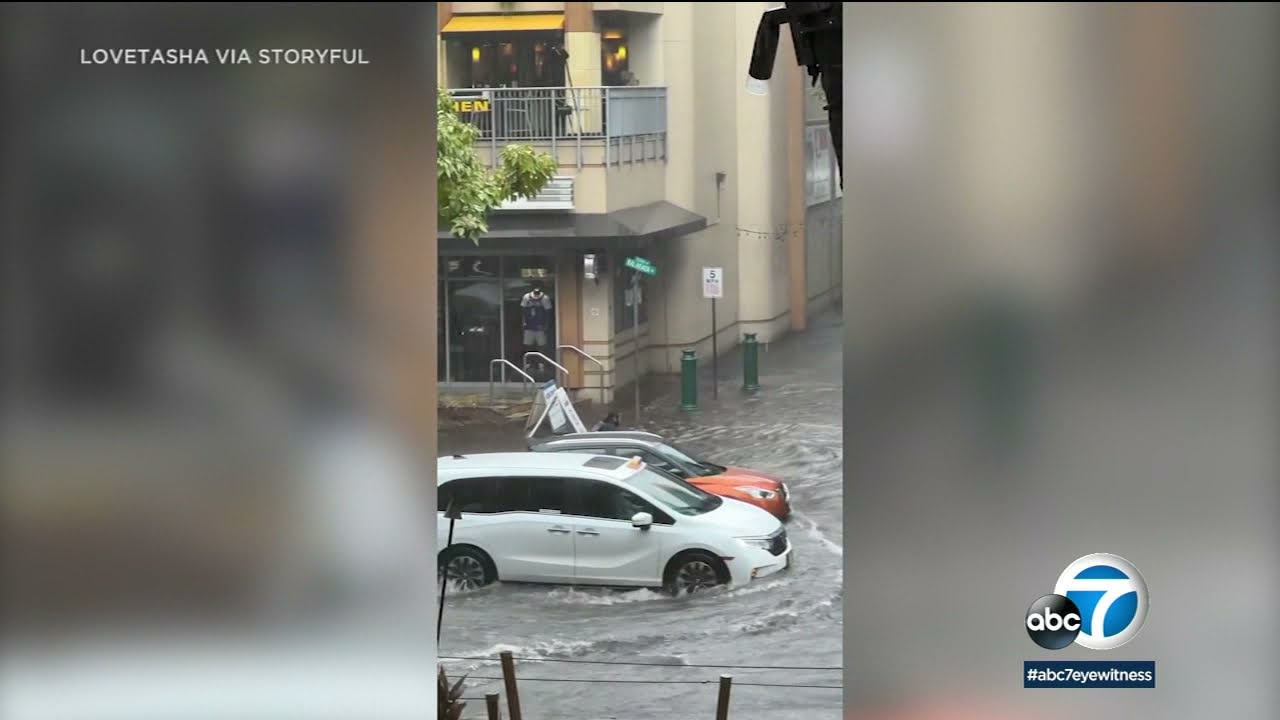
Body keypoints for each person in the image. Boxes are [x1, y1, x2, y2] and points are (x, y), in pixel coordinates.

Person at [521, 284, 552, 375]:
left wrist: (546, 325)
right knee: (528, 346)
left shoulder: (545, 298)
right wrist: (523, 323)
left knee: (541, 346)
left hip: (540, 327)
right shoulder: (526, 297)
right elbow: (522, 311)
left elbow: (548, 313)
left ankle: (541, 364)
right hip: (529, 326)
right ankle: (529, 363)